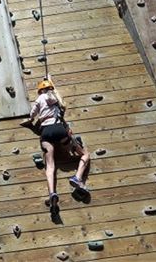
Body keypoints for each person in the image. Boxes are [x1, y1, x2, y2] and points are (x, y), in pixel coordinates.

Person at [21, 78, 90, 215]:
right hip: (60, 130)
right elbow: (63, 114)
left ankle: (52, 193)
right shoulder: (57, 100)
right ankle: (77, 177)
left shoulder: (39, 99)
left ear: (40, 90)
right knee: (85, 154)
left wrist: (29, 122)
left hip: (46, 132)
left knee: (50, 166)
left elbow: (32, 115)